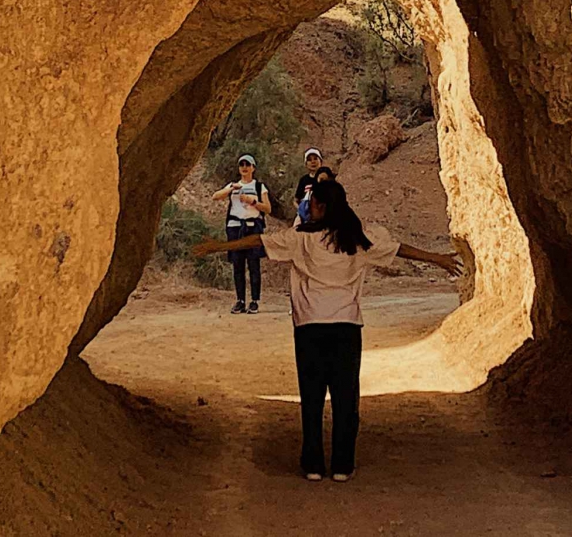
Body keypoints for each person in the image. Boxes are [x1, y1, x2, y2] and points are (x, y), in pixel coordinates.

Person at [194, 179, 461, 481]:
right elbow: (398, 249)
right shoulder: (357, 239)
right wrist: (436, 258)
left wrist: (219, 246)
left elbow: (258, 241)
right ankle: (343, 466)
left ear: (319, 206)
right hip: (346, 327)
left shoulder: (301, 239)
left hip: (309, 326)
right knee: (346, 398)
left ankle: (313, 465)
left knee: (312, 397)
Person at [210, 153, 272, 314]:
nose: (244, 167)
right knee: (238, 265)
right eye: (241, 164)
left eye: (247, 164)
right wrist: (231, 189)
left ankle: (254, 301)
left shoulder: (259, 187)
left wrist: (253, 201)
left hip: (253, 228)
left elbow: (268, 208)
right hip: (235, 228)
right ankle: (240, 300)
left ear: (253, 168)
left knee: (253, 265)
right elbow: (215, 196)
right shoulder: (233, 185)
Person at [295, 147, 324, 223]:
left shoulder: (326, 178)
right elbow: (296, 200)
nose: (313, 162)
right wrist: (301, 210)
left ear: (320, 161)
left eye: (315, 159)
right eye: (309, 160)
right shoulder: (304, 180)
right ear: (306, 164)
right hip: (305, 214)